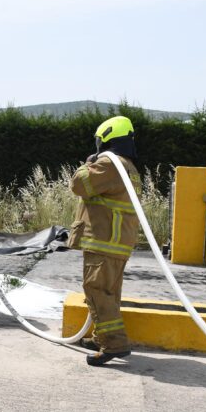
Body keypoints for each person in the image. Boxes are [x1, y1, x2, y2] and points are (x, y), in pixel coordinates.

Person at [68, 115, 142, 366]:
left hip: (104, 241)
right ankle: (102, 337)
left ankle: (114, 345)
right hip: (117, 241)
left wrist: (87, 163)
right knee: (108, 293)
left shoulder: (110, 164)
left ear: (106, 139)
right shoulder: (128, 166)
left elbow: (79, 185)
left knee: (97, 290)